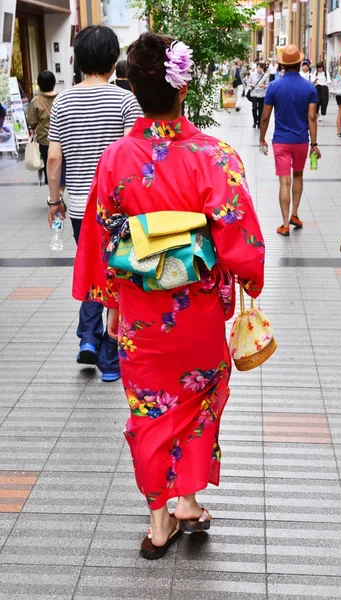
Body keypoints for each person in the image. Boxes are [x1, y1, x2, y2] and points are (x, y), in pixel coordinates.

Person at [73, 32, 264, 559]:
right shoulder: (213, 156)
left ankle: (160, 521)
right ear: (183, 88)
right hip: (197, 312)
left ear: (134, 87)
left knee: (150, 412)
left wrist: (109, 300)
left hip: (140, 313)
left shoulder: (115, 159)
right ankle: (189, 500)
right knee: (198, 402)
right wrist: (248, 276)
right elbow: (239, 235)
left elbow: (102, 237)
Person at [47, 26, 142, 382]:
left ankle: (88, 337)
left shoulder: (63, 100)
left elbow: (54, 159)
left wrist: (54, 200)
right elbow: (134, 158)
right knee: (117, 276)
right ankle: (110, 358)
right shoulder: (124, 101)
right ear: (112, 57)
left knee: (92, 271)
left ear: (80, 58)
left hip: (78, 210)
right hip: (116, 209)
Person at [259, 44, 321, 236]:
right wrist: (314, 144)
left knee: (284, 182)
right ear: (300, 63)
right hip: (301, 140)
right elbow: (312, 118)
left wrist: (262, 138)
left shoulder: (274, 86)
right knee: (298, 176)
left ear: (283, 65)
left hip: (281, 141)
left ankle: (285, 224)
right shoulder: (309, 87)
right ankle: (295, 214)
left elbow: (265, 117)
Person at [27, 71, 66, 187]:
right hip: (62, 139)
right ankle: (60, 192)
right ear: (54, 82)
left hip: (44, 140)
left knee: (49, 166)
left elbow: (32, 122)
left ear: (39, 84)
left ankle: (54, 194)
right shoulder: (61, 98)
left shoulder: (36, 101)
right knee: (63, 166)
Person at [248, 62, 269, 129]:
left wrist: (264, 86)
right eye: (259, 68)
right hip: (254, 93)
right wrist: (251, 85)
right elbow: (248, 83)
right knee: (254, 108)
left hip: (262, 94)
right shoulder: (252, 75)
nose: (260, 69)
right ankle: (255, 121)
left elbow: (268, 85)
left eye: (261, 68)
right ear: (256, 67)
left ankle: (259, 123)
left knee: (261, 109)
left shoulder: (265, 76)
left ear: (263, 68)